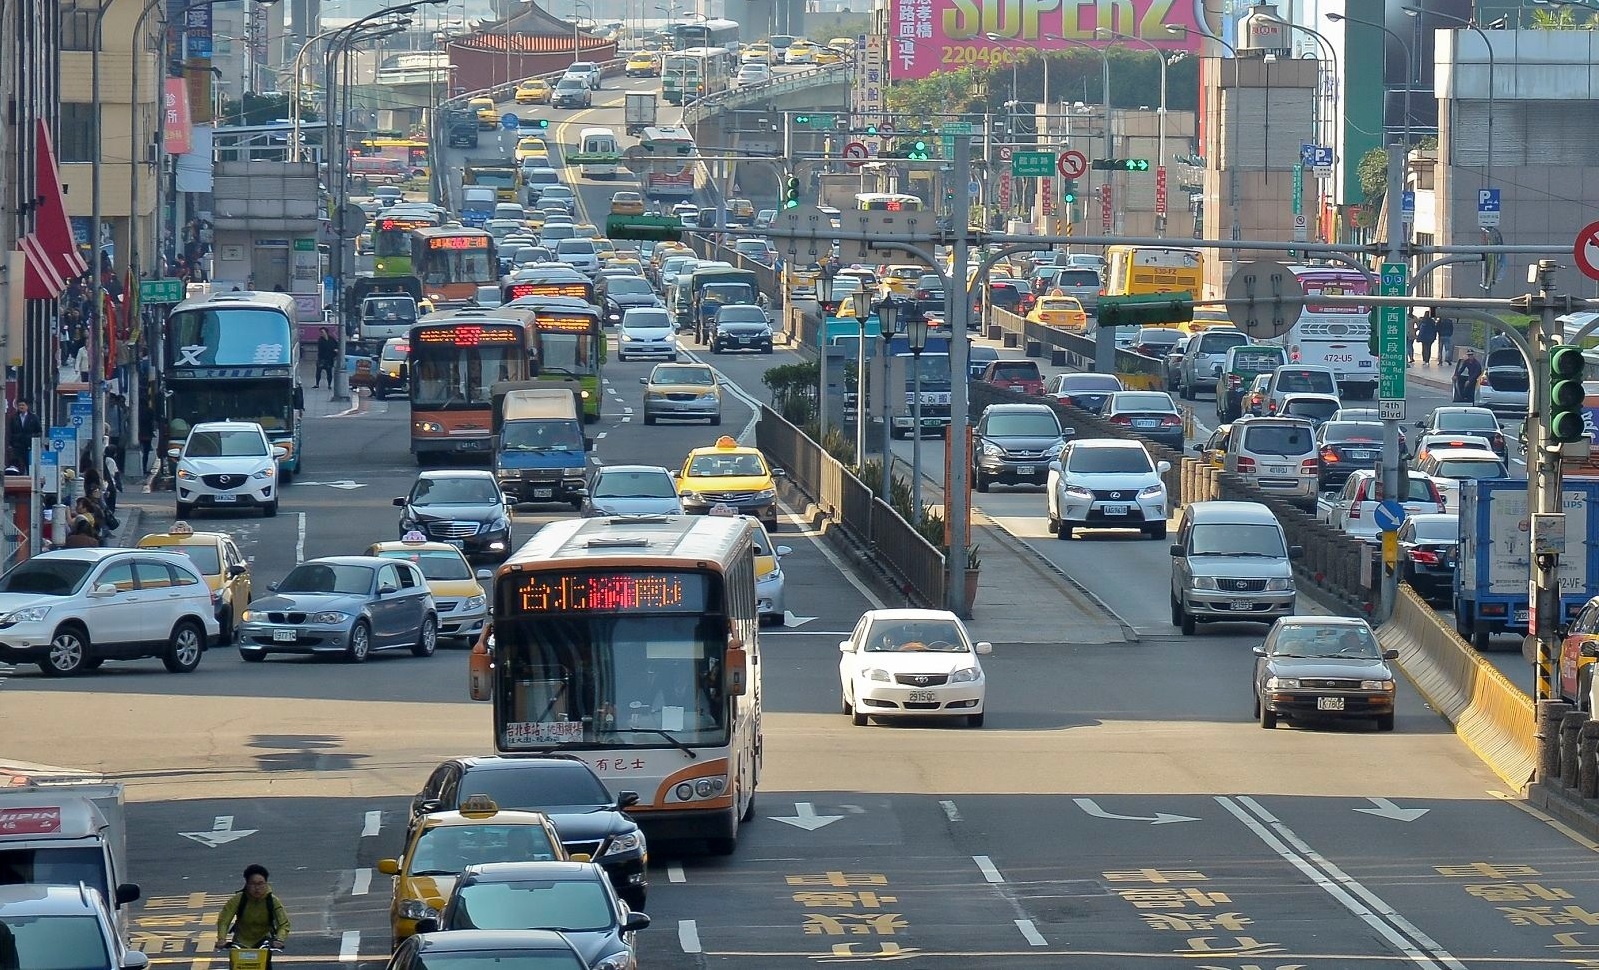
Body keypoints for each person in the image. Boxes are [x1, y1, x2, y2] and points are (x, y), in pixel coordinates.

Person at [216, 864, 291, 951]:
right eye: (253, 884)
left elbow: (284, 924)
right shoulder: (238, 899)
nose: (257, 888)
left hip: (264, 943)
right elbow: (224, 921)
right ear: (247, 884)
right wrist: (221, 939)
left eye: (260, 883)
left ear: (266, 883)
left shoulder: (272, 901)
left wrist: (279, 939)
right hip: (240, 943)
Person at [6, 398, 40, 470]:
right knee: (17, 465)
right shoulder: (14, 418)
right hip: (17, 445)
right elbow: (10, 431)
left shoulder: (33, 418)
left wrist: (31, 437)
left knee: (29, 465)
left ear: (27, 406)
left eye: (23, 405)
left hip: (29, 445)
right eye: (19, 405)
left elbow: (39, 431)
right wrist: (11, 443)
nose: (21, 407)